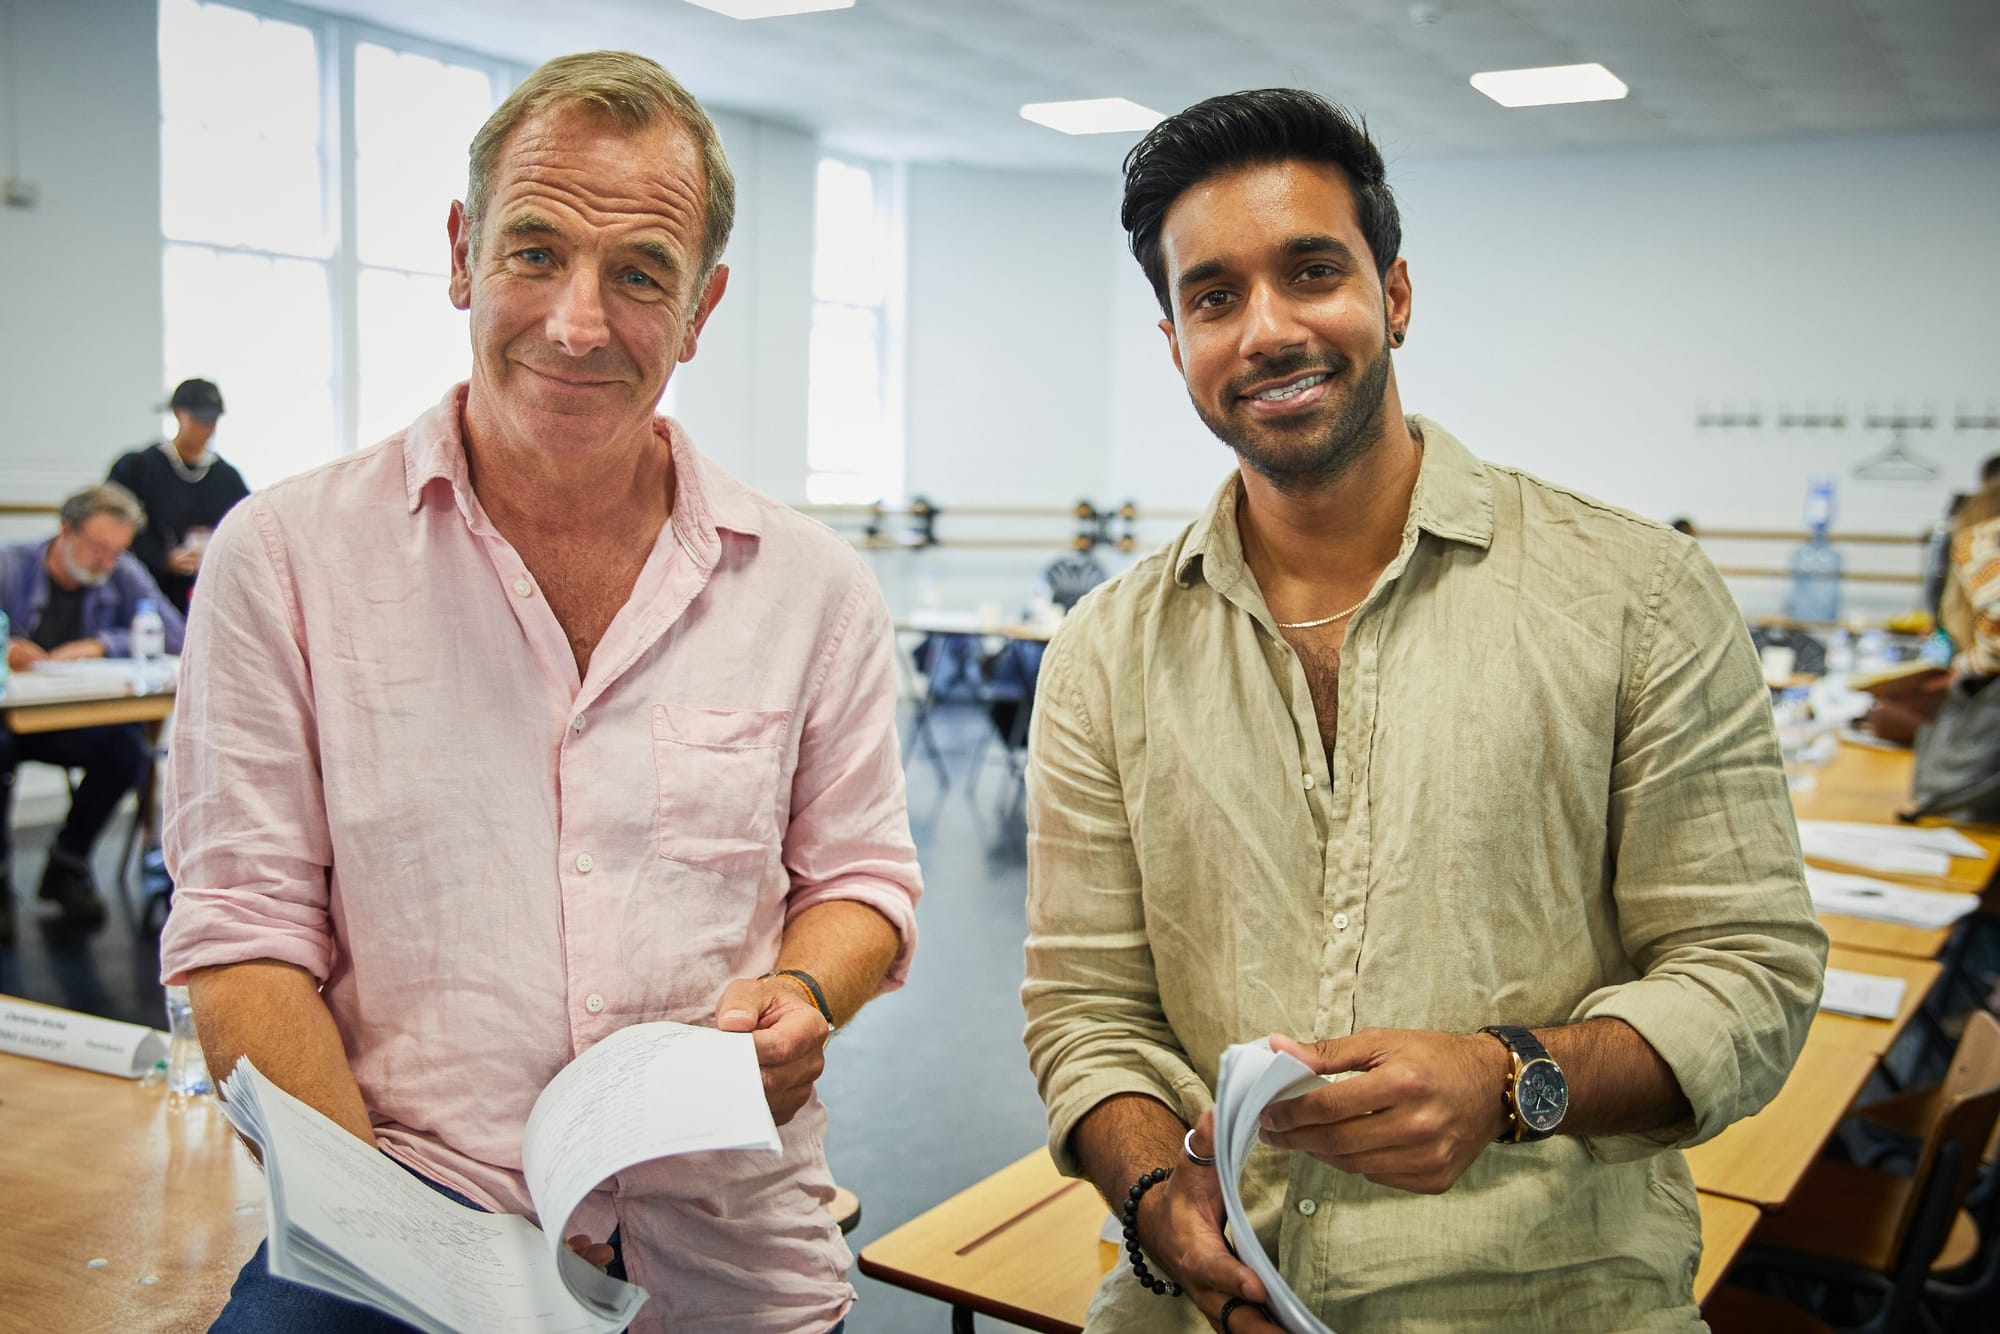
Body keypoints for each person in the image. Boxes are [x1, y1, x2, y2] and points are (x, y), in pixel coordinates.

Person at [1021, 89, 1826, 1332]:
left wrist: (1511, 1078)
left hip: (1550, 1300)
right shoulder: (1103, 651)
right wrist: (1147, 1186)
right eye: (1213, 296)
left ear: (1393, 294)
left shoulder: (1634, 597)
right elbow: (1085, 1008)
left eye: (1310, 271)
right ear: (1173, 336)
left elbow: (1749, 972)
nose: (1267, 329)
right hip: (1205, 1306)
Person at [159, 51, 920, 1333]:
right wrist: (401, 1253)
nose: (577, 321)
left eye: (639, 275)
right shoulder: (286, 560)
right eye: (533, 251)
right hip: (404, 1208)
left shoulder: (810, 589)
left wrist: (807, 992)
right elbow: (242, 942)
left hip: (725, 1244)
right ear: (461, 253)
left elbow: (861, 880)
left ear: (701, 307)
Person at [0, 482, 185, 938]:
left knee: (127, 752)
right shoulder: (11, 565)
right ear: (66, 530)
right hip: (9, 719)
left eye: (115, 552)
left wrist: (100, 645)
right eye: (97, 549)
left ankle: (68, 864)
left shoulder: (120, 570)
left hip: (70, 718)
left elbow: (176, 633)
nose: (106, 562)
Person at [107, 377, 251, 615]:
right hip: (145, 601)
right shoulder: (138, 468)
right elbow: (113, 527)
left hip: (206, 599)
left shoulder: (228, 478)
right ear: (178, 414)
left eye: (213, 420)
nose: (207, 428)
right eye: (200, 419)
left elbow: (243, 534)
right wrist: (162, 559)